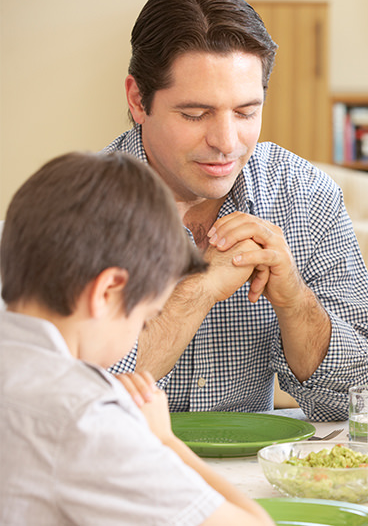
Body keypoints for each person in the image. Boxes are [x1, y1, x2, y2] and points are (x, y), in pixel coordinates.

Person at [106, 0, 368, 420]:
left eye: (247, 112)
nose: (226, 142)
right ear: (139, 100)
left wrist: (294, 299)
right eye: (195, 114)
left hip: (253, 479)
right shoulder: (73, 209)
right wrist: (198, 292)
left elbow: (348, 402)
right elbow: (70, 406)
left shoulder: (305, 195)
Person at [0, 152, 274, 525]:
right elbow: (255, 523)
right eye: (146, 318)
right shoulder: (88, 419)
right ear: (108, 291)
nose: (137, 336)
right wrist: (164, 440)